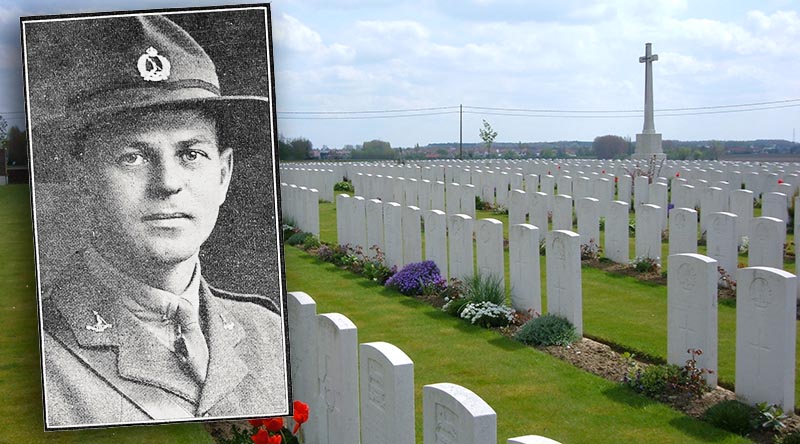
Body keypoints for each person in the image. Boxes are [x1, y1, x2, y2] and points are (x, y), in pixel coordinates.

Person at [22, 11, 289, 428]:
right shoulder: (37, 353)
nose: (167, 184)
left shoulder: (269, 334)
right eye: (132, 156)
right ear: (83, 180)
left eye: (191, 154)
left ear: (223, 175)